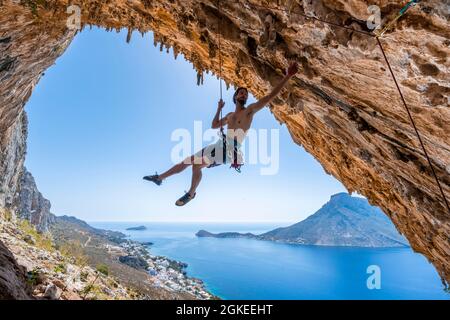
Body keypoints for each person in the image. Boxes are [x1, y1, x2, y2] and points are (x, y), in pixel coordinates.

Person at [144, 61, 299, 206]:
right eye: (241, 93)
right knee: (189, 161)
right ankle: (160, 178)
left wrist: (288, 76)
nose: (244, 95)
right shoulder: (230, 115)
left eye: (245, 94)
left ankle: (191, 193)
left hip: (230, 149)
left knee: (196, 165)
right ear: (235, 97)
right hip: (218, 145)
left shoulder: (249, 111)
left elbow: (269, 97)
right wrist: (218, 108)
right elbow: (213, 125)